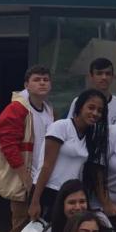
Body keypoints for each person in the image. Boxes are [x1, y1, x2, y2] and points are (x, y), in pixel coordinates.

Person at [0, 65, 54, 232]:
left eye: (46, 80)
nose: (42, 83)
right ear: (27, 84)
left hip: (41, 180)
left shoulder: (48, 110)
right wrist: (24, 177)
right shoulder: (18, 108)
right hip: (25, 182)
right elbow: (7, 142)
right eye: (37, 80)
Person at [30, 89, 105, 220]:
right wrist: (35, 201)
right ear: (80, 107)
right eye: (91, 108)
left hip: (70, 196)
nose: (95, 113)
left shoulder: (90, 136)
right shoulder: (61, 127)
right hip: (48, 191)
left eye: (99, 110)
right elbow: (46, 166)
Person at [67, 57, 116, 126]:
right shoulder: (79, 101)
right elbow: (70, 128)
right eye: (99, 73)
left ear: (112, 77)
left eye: (107, 74)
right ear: (91, 76)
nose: (104, 77)